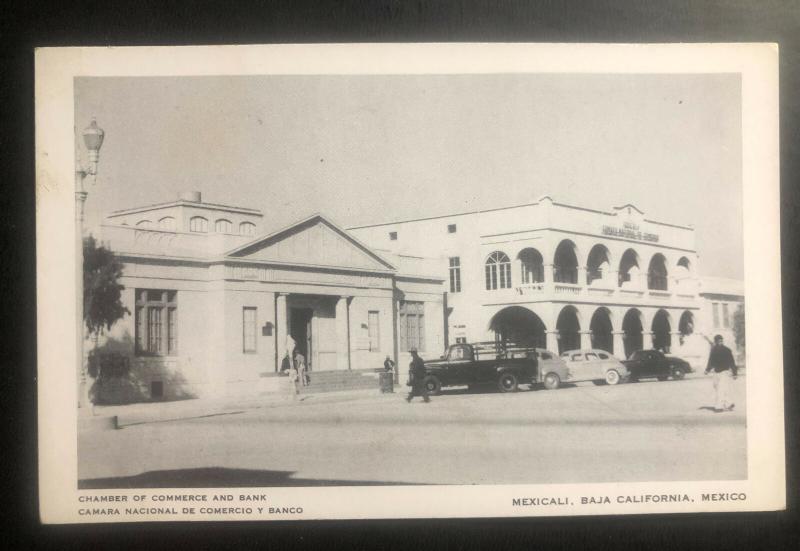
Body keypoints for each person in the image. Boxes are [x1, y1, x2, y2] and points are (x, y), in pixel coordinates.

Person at [704, 334, 738, 412]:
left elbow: (732, 362)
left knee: (721, 389)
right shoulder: (713, 350)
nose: (720, 342)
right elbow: (711, 361)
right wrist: (707, 370)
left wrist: (734, 373)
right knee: (716, 387)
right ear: (715, 341)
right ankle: (729, 403)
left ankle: (718, 407)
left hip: (724, 372)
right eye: (719, 341)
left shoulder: (727, 350)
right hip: (716, 372)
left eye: (721, 341)